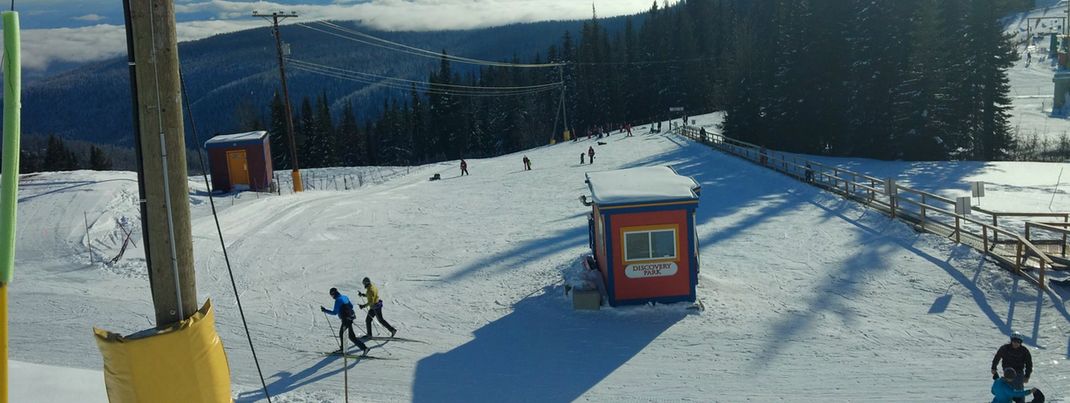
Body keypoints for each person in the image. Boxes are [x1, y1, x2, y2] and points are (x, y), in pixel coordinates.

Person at [320, 288, 370, 355]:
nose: (332, 297)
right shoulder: (344, 297)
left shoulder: (338, 300)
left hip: (345, 320)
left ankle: (343, 349)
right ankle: (364, 348)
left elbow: (334, 312)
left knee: (342, 334)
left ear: (333, 294)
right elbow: (351, 306)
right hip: (350, 318)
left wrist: (325, 310)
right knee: (351, 336)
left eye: (331, 295)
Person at [992, 333, 1033, 403]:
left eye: (1018, 342)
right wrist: (994, 367)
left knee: (1018, 389)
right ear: (1011, 341)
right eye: (1014, 341)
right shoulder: (1005, 348)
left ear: (1021, 342)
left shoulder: (1024, 350)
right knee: (1006, 389)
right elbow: (997, 357)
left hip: (1018, 373)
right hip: (1007, 372)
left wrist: (1027, 376)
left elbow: (1029, 363)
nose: (1016, 343)